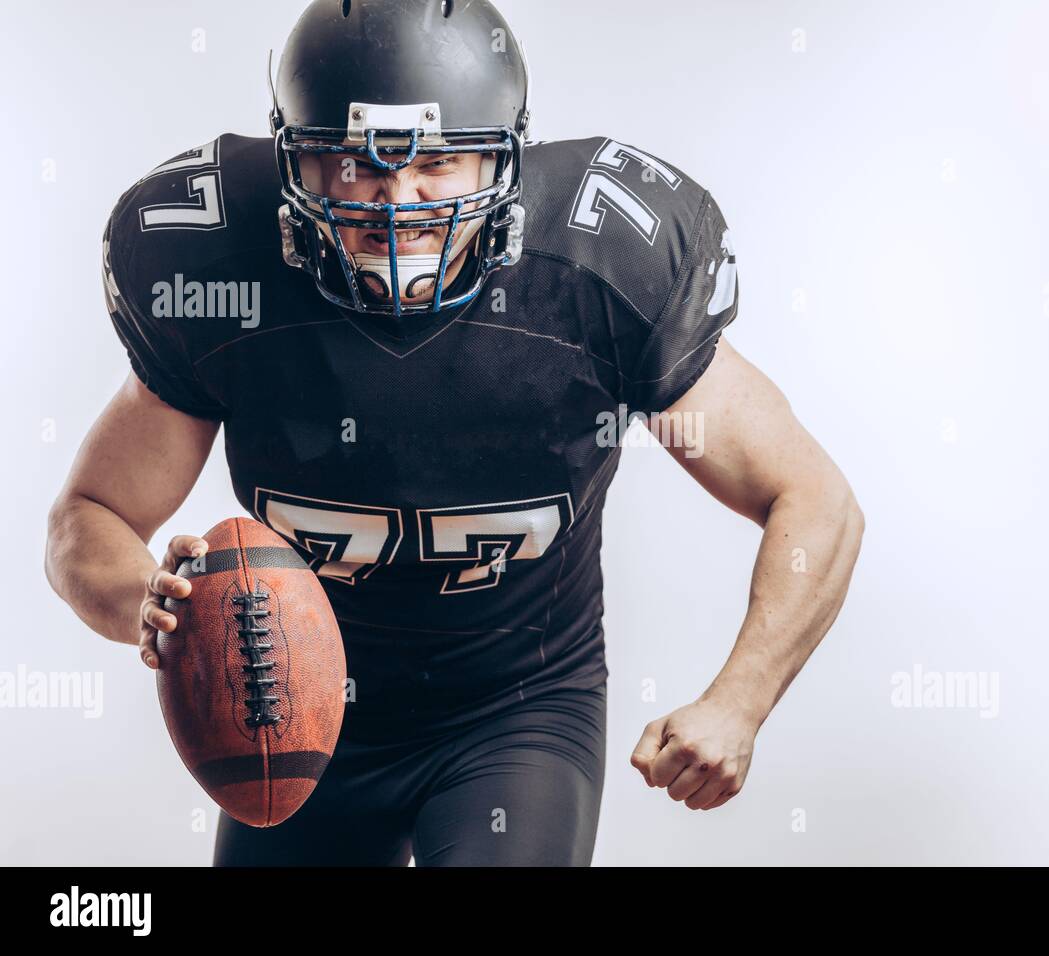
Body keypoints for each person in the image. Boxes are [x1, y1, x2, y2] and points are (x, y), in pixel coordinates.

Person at [45, 0, 864, 866]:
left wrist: (740, 701)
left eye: (437, 161)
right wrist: (146, 599)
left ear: (503, 156)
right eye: (349, 162)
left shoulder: (597, 273)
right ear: (294, 159)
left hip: (519, 711)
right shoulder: (221, 270)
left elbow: (813, 498)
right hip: (292, 703)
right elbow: (87, 515)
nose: (396, 200)